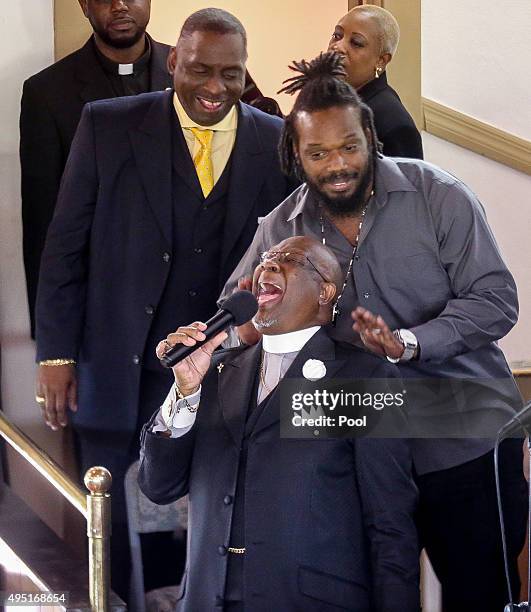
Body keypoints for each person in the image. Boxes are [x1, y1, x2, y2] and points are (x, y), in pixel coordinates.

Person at [221, 53, 527, 611]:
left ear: (370, 136)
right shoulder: (280, 230)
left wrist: (411, 341)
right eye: (317, 153)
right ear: (296, 154)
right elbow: (241, 314)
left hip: (462, 425)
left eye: (348, 147)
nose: (335, 164)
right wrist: (210, 342)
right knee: (373, 593)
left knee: (482, 592)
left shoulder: (439, 195)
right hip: (352, 440)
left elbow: (497, 301)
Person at [34, 8, 296, 600]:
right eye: (200, 70)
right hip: (116, 368)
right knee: (115, 522)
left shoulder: (273, 140)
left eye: (230, 75)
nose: (213, 88)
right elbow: (64, 248)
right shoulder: (106, 124)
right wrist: (55, 354)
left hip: (224, 371)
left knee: (208, 515)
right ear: (172, 61)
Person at [139, 235, 420, 611]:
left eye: (290, 260)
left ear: (325, 292)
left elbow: (390, 523)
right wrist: (185, 391)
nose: (268, 266)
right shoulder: (215, 371)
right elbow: (158, 486)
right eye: (266, 259)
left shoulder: (362, 379)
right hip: (208, 599)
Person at [20, 0, 280, 335]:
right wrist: (51, 341)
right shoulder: (49, 92)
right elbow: (46, 229)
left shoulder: (206, 59)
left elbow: (260, 144)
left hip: (218, 315)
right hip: (114, 314)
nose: (120, 6)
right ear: (84, 5)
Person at [327, 4, 423, 159]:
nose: (337, 46)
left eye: (356, 43)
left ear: (381, 60)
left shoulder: (394, 125)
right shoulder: (325, 102)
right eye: (337, 36)